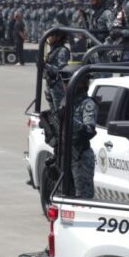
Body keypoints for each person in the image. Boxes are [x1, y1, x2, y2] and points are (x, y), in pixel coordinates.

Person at [59, 64, 97, 198]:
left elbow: (88, 130)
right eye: (64, 83)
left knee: (82, 197)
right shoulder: (67, 101)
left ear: (80, 83)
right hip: (65, 154)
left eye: (67, 82)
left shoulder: (87, 104)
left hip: (80, 156)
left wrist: (70, 119)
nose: (65, 86)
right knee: (65, 194)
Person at [43, 30, 70, 112]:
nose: (49, 38)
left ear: (58, 37)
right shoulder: (52, 50)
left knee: (59, 112)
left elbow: (61, 70)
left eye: (51, 36)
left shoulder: (62, 51)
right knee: (53, 112)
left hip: (58, 86)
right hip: (50, 85)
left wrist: (45, 65)